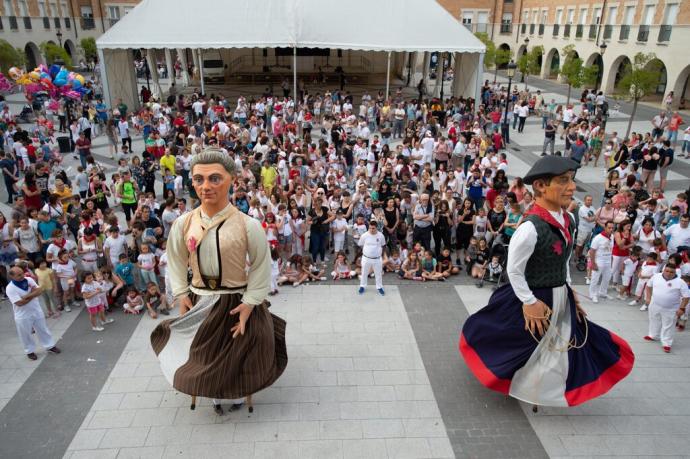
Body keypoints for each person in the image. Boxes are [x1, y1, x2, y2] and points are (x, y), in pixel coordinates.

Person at [460, 155, 634, 407]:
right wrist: (529, 302)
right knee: (522, 344)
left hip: (558, 294)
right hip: (533, 296)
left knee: (562, 344)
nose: (572, 187)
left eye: (571, 180)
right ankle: (515, 382)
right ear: (541, 186)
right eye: (563, 181)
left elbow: (562, 262)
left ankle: (545, 388)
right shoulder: (530, 228)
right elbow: (514, 270)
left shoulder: (568, 220)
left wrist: (569, 290)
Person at [150, 148, 287, 416]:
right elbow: (175, 260)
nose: (206, 186)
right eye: (199, 179)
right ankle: (213, 395)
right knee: (205, 355)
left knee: (241, 353)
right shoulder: (183, 223)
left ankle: (236, 391)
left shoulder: (248, 225)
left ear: (231, 179)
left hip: (236, 300)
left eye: (215, 178)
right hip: (200, 300)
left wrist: (250, 303)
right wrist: (181, 293)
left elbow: (261, 265)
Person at [5, 266, 62, 360]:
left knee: (43, 329)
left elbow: (39, 291)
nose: (22, 276)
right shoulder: (10, 288)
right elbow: (19, 303)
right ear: (12, 277)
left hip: (36, 310)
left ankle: (50, 346)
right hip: (22, 315)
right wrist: (33, 294)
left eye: (22, 273)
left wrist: (27, 296)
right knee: (25, 334)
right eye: (19, 275)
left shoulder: (29, 279)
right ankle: (29, 351)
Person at [644, 263, 690, 353]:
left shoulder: (680, 282)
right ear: (663, 270)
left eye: (671, 272)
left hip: (671, 308)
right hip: (655, 304)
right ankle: (653, 335)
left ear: (675, 272)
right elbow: (648, 286)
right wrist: (648, 298)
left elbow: (686, 297)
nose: (668, 273)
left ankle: (666, 343)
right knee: (654, 320)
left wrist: (682, 308)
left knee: (668, 325)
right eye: (667, 271)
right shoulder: (656, 276)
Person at [358, 218, 386, 295]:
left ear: (376, 227)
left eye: (373, 228)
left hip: (377, 259)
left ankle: (379, 287)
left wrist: (381, 255)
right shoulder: (364, 235)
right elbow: (360, 245)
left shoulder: (381, 236)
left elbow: (383, 246)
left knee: (378, 274)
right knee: (364, 273)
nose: (371, 229)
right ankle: (362, 286)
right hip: (366, 258)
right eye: (370, 228)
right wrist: (367, 252)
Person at [589, 220, 615, 303]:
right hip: (599, 261)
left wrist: (611, 261)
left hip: (608, 261)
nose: (611, 229)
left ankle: (602, 293)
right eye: (609, 228)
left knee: (607, 278)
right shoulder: (598, 238)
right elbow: (592, 251)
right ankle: (592, 294)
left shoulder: (612, 237)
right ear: (605, 228)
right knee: (595, 279)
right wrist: (593, 263)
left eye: (612, 228)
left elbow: (611, 250)